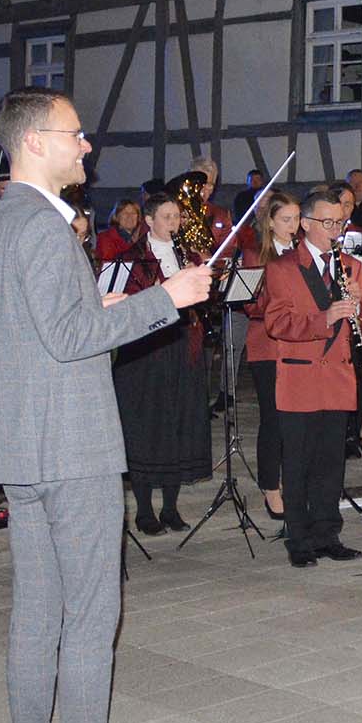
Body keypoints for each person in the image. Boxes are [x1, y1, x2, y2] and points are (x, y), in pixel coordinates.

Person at [0, 87, 212, 723]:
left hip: (15, 441)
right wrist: (168, 296)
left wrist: (104, 309)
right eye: (75, 135)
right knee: (92, 614)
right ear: (35, 141)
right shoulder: (41, 226)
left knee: (36, 610)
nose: (86, 147)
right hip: (68, 443)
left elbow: (5, 329)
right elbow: (69, 338)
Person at [261, 186, 362, 567]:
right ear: (306, 224)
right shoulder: (281, 267)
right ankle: (299, 538)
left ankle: (328, 533)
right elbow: (277, 323)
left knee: (331, 462)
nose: (336, 229)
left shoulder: (353, 267)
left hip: (339, 378)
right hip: (300, 378)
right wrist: (323, 319)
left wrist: (360, 306)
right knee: (297, 462)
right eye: (328, 222)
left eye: (340, 222)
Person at [112, 193, 213, 534]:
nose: (174, 223)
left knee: (177, 425)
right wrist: (159, 290)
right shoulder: (132, 257)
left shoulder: (188, 256)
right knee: (147, 428)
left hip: (182, 345)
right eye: (167, 217)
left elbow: (206, 303)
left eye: (177, 217)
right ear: (150, 221)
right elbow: (125, 303)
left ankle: (170, 507)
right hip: (146, 351)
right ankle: (143, 510)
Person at [243, 189, 300, 520]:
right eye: (286, 220)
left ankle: (295, 480)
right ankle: (270, 485)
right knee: (274, 418)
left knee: (298, 418)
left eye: (296, 219)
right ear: (270, 222)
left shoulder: (303, 254)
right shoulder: (256, 254)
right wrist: (282, 300)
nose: (293, 226)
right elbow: (251, 304)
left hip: (299, 343)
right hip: (267, 345)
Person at [94, 198, 141, 264]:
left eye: (133, 213)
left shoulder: (142, 239)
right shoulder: (106, 238)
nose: (129, 216)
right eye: (125, 213)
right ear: (116, 216)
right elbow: (107, 264)